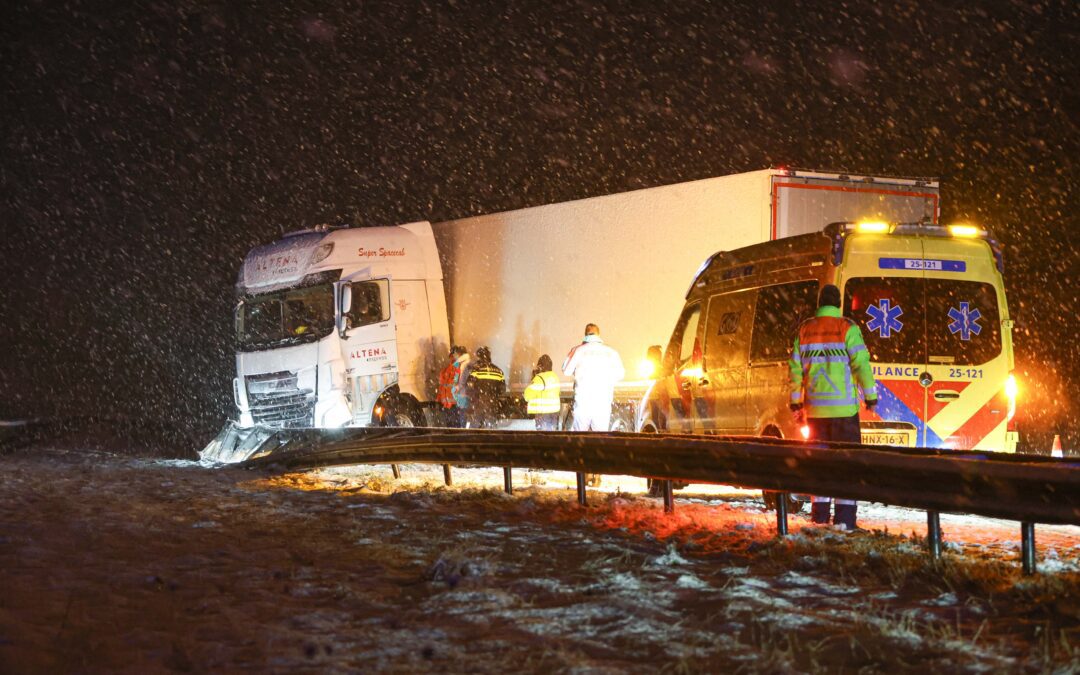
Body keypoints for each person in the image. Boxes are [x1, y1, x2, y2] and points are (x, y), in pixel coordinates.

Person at [788, 284, 878, 529]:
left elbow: (795, 372)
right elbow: (861, 364)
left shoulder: (805, 331)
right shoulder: (847, 329)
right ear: (838, 304)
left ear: (819, 303)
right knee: (846, 467)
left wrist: (796, 403)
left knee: (820, 466)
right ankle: (845, 520)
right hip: (844, 413)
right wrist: (870, 396)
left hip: (815, 412)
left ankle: (819, 517)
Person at [562, 323, 625, 431]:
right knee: (601, 439)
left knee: (579, 440)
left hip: (583, 404)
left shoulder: (578, 350)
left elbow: (566, 370)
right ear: (599, 335)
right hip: (602, 404)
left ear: (585, 334)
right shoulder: (611, 352)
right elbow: (620, 374)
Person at [464, 346, 505, 428]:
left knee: (475, 424)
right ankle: (491, 438)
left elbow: (469, 385)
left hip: (479, 401)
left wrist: (473, 397)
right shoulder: (498, 371)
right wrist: (494, 396)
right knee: (491, 424)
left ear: (479, 356)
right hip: (492, 402)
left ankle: (473, 439)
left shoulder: (477, 369)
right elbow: (502, 389)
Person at [523, 354, 561, 430]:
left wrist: (534, 378)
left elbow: (527, 395)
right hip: (554, 412)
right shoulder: (555, 377)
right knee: (552, 437)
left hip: (543, 413)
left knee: (543, 437)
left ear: (541, 366)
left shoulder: (540, 378)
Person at [437, 346, 468, 428]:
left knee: (457, 429)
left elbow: (463, 385)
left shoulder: (461, 367)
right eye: (452, 355)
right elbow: (442, 387)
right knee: (451, 429)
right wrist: (439, 401)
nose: (453, 357)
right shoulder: (445, 370)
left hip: (456, 405)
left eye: (455, 355)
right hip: (448, 405)